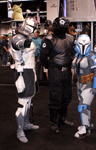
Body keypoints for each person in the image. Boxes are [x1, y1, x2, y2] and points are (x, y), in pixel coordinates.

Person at [40, 17, 76, 133]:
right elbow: (43, 58)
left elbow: (73, 54)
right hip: (55, 72)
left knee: (67, 97)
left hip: (66, 72)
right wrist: (50, 68)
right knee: (55, 97)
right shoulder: (48, 39)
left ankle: (62, 119)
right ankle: (53, 122)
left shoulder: (70, 38)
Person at [9, 12, 39, 143]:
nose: (34, 30)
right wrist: (25, 40)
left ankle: (26, 123)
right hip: (23, 72)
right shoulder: (17, 38)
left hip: (31, 71)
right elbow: (18, 44)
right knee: (23, 103)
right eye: (32, 27)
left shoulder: (29, 38)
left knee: (29, 100)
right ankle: (20, 130)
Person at [72, 34, 96, 138]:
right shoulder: (77, 56)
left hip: (89, 84)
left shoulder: (91, 57)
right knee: (85, 105)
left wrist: (95, 87)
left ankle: (85, 127)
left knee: (83, 105)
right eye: (81, 44)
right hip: (79, 84)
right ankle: (88, 124)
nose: (83, 46)